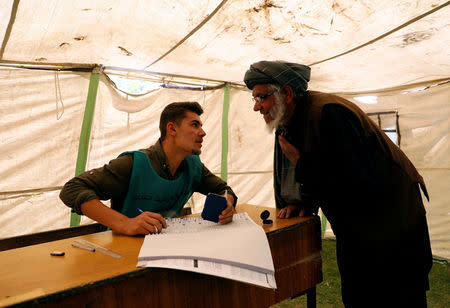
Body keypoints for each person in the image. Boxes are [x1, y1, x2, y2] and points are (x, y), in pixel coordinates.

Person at [244, 61, 432, 308]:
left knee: (394, 296)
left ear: (287, 93)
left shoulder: (330, 113)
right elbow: (324, 172)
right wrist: (301, 203)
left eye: (261, 97)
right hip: (360, 229)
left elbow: (353, 183)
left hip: (392, 228)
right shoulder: (291, 122)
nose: (257, 107)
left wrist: (301, 163)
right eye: (254, 98)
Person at [60, 102, 237, 236]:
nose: (203, 132)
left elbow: (224, 190)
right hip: (123, 250)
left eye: (201, 125)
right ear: (172, 128)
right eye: (195, 125)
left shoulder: (193, 165)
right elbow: (71, 190)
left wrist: (227, 202)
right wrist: (125, 223)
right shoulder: (132, 164)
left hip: (169, 248)